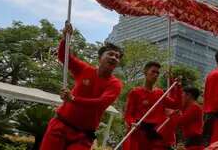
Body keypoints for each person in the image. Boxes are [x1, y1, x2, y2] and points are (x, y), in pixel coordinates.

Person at [41, 22, 123, 150]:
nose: (114, 58)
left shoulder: (115, 84)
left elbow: (100, 103)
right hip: (60, 125)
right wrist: (65, 38)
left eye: (117, 57)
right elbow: (64, 57)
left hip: (83, 135)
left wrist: (73, 99)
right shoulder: (85, 69)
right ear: (100, 57)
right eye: (110, 54)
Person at [123, 62, 182, 150]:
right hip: (139, 131)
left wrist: (177, 88)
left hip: (155, 133)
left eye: (157, 73)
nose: (155, 75)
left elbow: (176, 105)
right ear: (145, 72)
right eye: (153, 72)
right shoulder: (135, 92)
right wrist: (131, 123)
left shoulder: (160, 93)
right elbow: (128, 114)